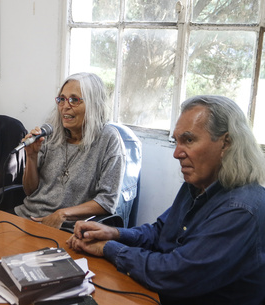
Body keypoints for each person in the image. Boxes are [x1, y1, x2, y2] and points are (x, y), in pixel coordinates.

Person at [67, 95, 265, 305]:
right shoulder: (197, 184)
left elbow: (176, 273)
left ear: (227, 143)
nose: (177, 153)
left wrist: (108, 248)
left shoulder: (242, 209)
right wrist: (115, 233)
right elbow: (161, 232)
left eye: (188, 140)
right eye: (176, 141)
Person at [13, 72, 126, 229]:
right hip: (27, 217)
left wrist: (62, 214)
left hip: (67, 228)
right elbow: (30, 191)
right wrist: (31, 157)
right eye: (62, 99)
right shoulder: (50, 131)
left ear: (94, 104)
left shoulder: (108, 139)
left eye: (74, 100)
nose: (65, 106)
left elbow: (107, 201)